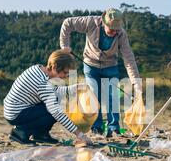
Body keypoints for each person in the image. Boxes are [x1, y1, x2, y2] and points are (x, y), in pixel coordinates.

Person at [60, 8, 142, 137]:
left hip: (110, 66)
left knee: (112, 97)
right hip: (90, 65)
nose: (114, 32)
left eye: (117, 29)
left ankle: (114, 128)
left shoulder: (121, 34)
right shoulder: (91, 22)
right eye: (111, 28)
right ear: (104, 23)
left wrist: (136, 82)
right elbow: (67, 23)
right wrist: (65, 45)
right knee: (94, 95)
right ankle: (96, 128)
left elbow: (129, 58)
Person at [3, 49, 93, 145]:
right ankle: (20, 132)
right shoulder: (42, 83)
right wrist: (81, 135)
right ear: (54, 67)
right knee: (57, 108)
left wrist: (75, 87)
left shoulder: (38, 68)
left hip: (14, 108)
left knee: (58, 101)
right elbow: (57, 113)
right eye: (65, 72)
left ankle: (40, 134)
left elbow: (53, 91)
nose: (66, 76)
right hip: (15, 114)